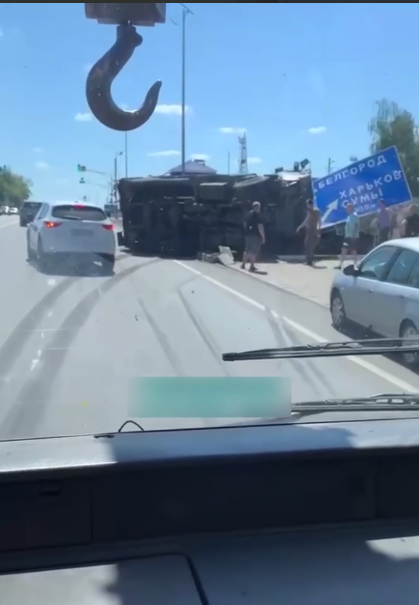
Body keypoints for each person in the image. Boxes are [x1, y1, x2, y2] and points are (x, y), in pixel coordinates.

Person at [241, 201, 265, 272]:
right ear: (256, 207)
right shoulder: (257, 216)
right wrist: (263, 237)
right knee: (254, 251)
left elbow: (244, 224)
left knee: (247, 250)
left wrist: (247, 231)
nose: (259, 209)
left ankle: (243, 264)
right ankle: (252, 266)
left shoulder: (247, 214)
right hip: (255, 235)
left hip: (248, 235)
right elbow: (260, 227)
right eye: (259, 207)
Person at [296, 199, 321, 266]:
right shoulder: (309, 211)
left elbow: (319, 220)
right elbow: (306, 220)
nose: (307, 206)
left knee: (310, 246)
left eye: (308, 204)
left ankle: (311, 260)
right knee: (307, 245)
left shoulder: (316, 211)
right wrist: (300, 227)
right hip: (309, 230)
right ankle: (309, 260)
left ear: (310, 204)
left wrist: (318, 230)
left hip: (314, 230)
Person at [337, 203, 360, 269]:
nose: (346, 209)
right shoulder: (349, 216)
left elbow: (356, 226)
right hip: (348, 236)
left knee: (350, 250)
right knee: (347, 250)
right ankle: (340, 264)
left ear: (351, 208)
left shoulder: (354, 216)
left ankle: (355, 264)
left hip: (351, 237)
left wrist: (353, 235)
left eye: (347, 207)